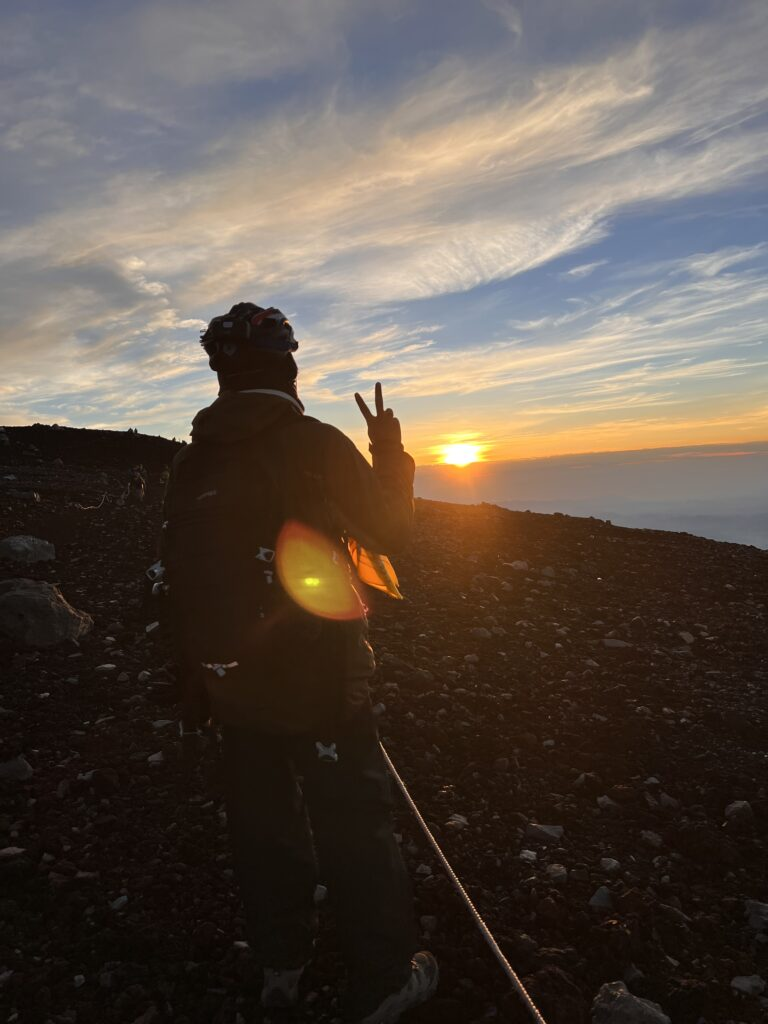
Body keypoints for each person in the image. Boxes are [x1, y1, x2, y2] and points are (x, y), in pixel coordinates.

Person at [161, 303, 437, 1023]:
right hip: (324, 687)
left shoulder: (192, 463)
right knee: (354, 824)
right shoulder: (314, 443)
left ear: (220, 372)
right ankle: (381, 983)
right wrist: (388, 452)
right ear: (288, 365)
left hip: (230, 683)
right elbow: (392, 531)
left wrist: (193, 675)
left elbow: (177, 578)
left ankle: (280, 967)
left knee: (262, 826)